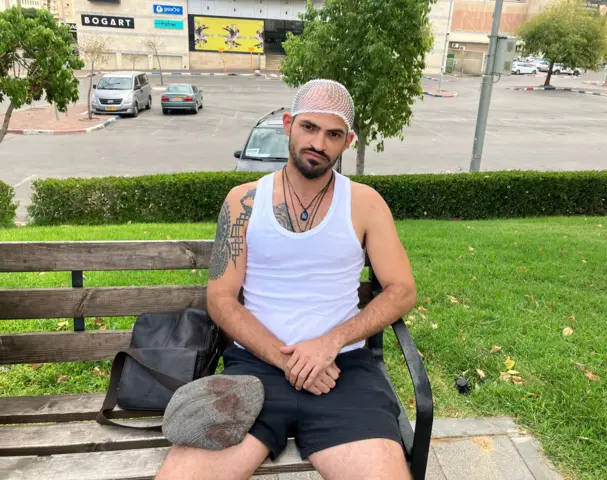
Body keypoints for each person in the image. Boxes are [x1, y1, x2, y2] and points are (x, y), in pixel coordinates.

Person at [156, 79, 417, 480]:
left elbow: (401, 291)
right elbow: (221, 299)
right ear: (288, 124)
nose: (319, 143)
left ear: (347, 142)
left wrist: (328, 344)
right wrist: (291, 360)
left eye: (333, 134)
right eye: (309, 127)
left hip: (343, 372)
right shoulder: (243, 201)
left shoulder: (365, 202)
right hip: (254, 371)